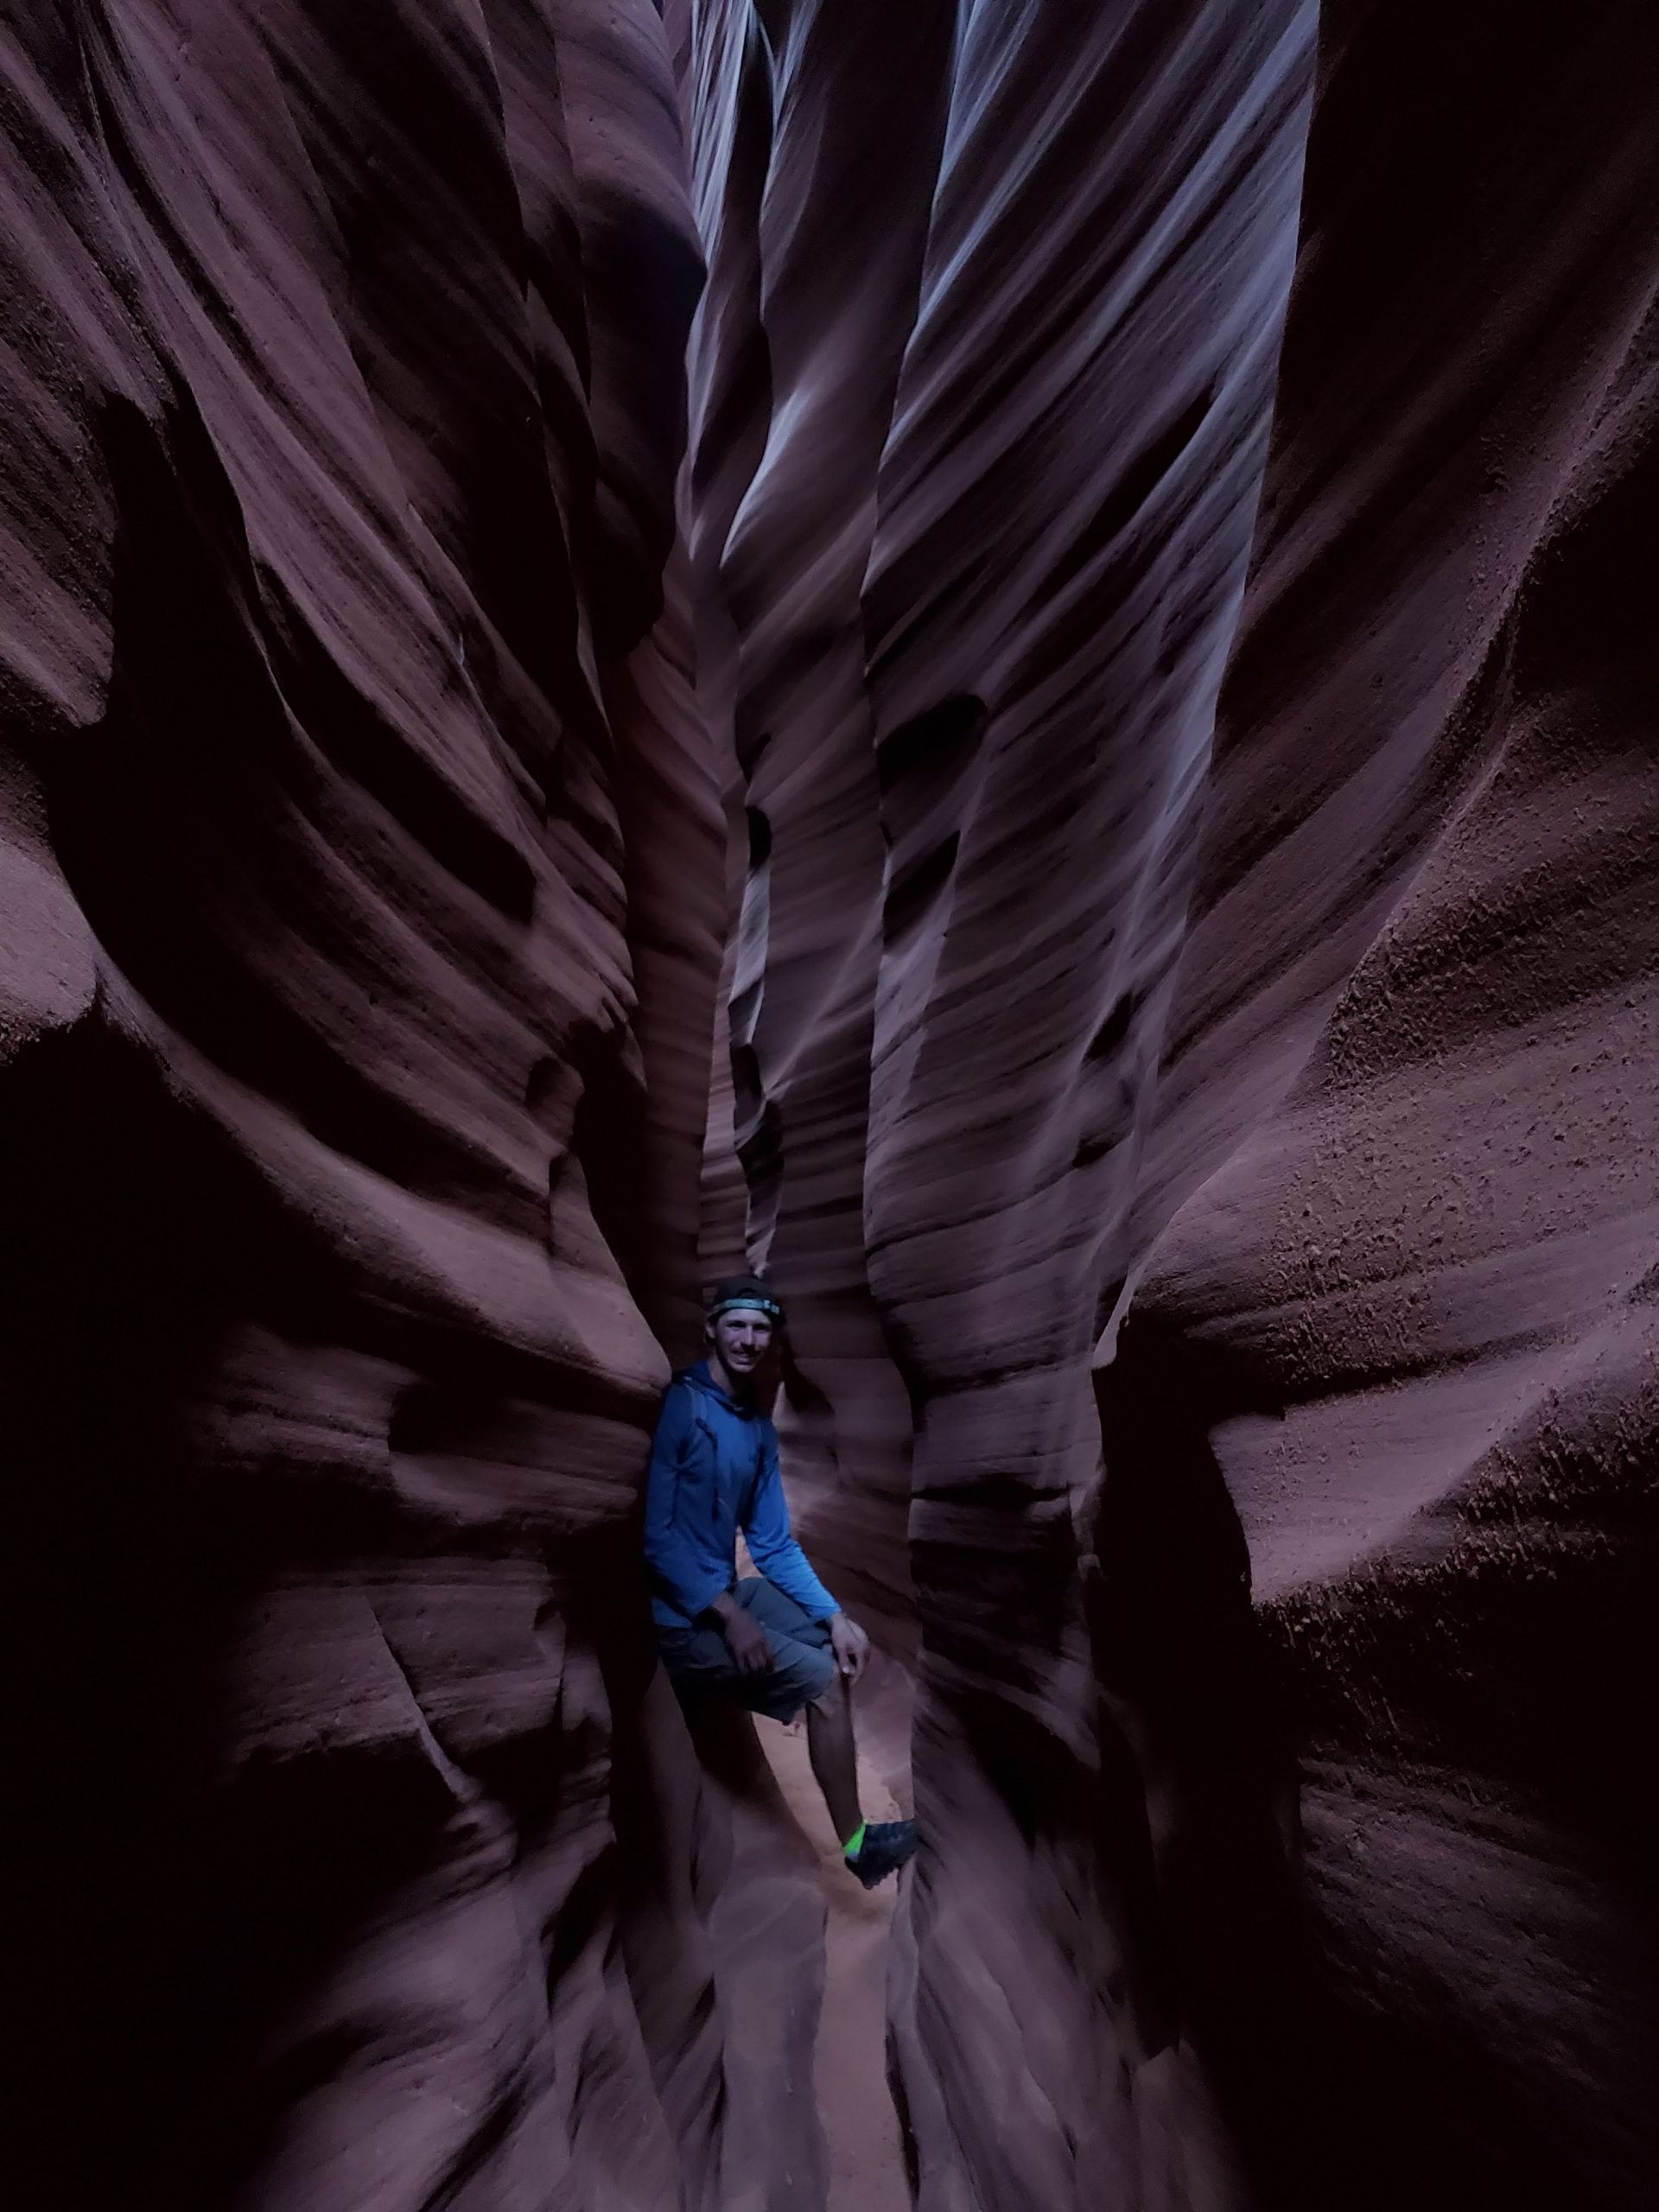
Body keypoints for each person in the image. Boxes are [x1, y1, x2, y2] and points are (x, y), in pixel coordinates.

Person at [645, 1274, 917, 1889]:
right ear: (711, 1328)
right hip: (678, 1618)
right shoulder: (680, 1408)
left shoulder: (757, 1429)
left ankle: (822, 1736)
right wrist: (730, 1616)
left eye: (760, 1327)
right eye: (736, 1324)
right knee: (822, 1679)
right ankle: (857, 1845)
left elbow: (771, 1543)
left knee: (836, 1649)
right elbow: (656, 1539)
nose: (748, 1339)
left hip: (724, 1595)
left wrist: (834, 1615)